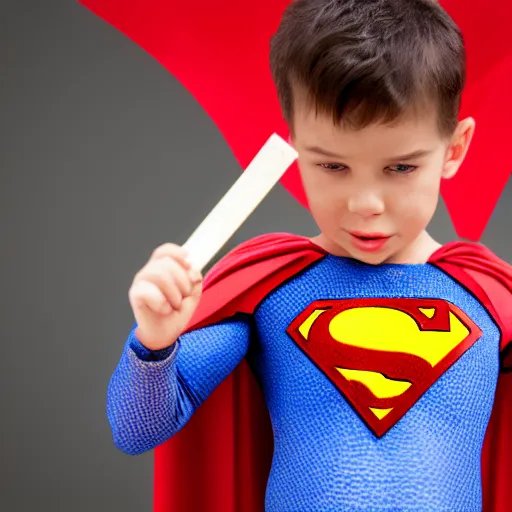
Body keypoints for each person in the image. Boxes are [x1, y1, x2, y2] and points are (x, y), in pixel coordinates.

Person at [106, 0, 512, 510]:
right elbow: (137, 427)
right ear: (294, 145)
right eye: (332, 166)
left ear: (454, 149)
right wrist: (155, 343)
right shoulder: (271, 289)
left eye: (401, 168)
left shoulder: (494, 301)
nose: (365, 205)